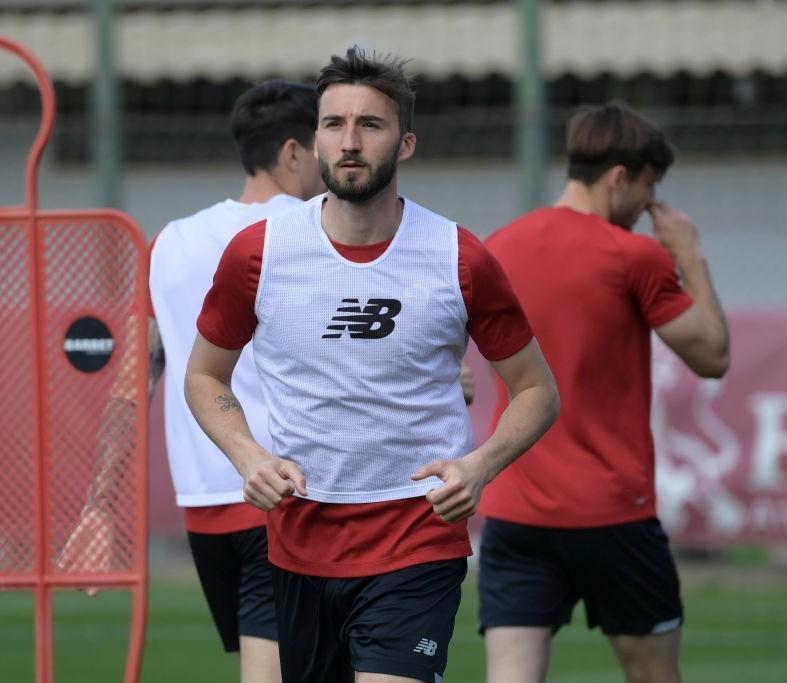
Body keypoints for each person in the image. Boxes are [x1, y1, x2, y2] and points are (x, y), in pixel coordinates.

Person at [184, 46, 559, 683]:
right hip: (301, 539)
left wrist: (479, 465)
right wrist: (248, 456)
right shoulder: (259, 253)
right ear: (315, 140)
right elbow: (204, 375)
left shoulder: (458, 256)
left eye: (371, 125)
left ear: (405, 143)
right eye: (334, 125)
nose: (349, 142)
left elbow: (536, 390)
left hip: (416, 535)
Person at [61, 79, 325, 683]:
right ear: (292, 153)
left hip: (204, 508)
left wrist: (99, 506)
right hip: (286, 493)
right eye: (324, 141)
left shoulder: (168, 244)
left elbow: (133, 383)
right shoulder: (312, 230)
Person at [478, 102, 730, 683]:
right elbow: (713, 356)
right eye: (649, 187)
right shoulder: (632, 254)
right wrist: (688, 253)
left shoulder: (500, 245)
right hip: (612, 513)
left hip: (515, 512)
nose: (651, 206)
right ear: (620, 176)